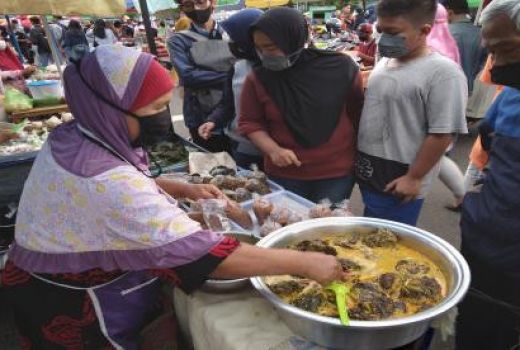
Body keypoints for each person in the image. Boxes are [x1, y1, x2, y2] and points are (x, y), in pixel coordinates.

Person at [0, 45, 345, 349]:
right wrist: (305, 263)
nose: (164, 119)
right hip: (68, 298)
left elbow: (103, 189)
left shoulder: (72, 134)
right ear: (107, 107)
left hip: (35, 269)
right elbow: (206, 256)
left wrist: (178, 187)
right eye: (153, 110)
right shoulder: (106, 178)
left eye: (167, 106)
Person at [355, 0, 468, 226]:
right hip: (370, 171)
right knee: (368, 236)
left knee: (387, 243)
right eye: (381, 30)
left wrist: (414, 177)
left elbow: (441, 133)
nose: (384, 38)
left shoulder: (443, 73)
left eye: (393, 32)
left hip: (399, 178)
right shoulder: (386, 61)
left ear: (424, 30)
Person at [239, 8, 363, 204]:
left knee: (328, 229)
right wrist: (273, 150)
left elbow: (357, 113)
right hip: (284, 175)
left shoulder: (341, 68)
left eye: (270, 47)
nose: (265, 55)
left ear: (293, 38)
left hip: (335, 173)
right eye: (259, 48)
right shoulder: (258, 79)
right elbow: (250, 123)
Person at [457, 1, 520, 348]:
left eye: (504, 48)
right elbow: (488, 137)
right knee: (474, 326)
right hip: (483, 238)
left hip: (513, 261)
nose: (495, 62)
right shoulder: (510, 95)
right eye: (490, 50)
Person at [198, 9, 264, 169]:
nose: (230, 43)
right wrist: (213, 120)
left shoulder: (277, 69)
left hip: (278, 150)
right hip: (242, 147)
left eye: (234, 38)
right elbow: (227, 104)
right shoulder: (237, 68)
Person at [168, 0, 231, 153]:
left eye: (200, 2)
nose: (196, 8)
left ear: (213, 2)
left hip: (233, 110)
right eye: (189, 5)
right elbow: (189, 75)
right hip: (199, 115)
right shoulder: (178, 40)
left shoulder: (229, 33)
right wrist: (231, 76)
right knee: (212, 164)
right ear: (182, 9)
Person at [427, 3, 466, 211]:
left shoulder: (432, 48)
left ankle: (462, 196)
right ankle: (461, 196)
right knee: (440, 157)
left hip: (435, 116)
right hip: (449, 108)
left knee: (436, 155)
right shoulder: (447, 42)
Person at [445, 0, 486, 93]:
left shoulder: (443, 33)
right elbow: (483, 63)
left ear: (449, 12)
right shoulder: (481, 35)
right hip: (465, 89)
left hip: (442, 88)